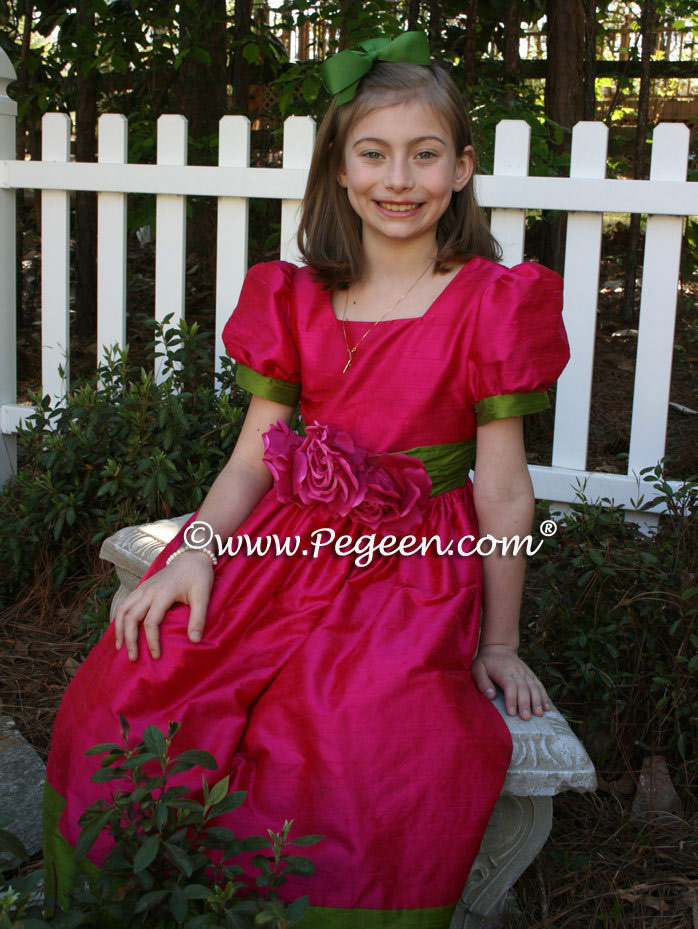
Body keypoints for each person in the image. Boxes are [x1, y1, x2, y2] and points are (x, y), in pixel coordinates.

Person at [44, 31, 570, 928]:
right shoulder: (295, 296)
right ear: (338, 167)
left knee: (351, 732)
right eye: (373, 153)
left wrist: (500, 642)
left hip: (409, 569)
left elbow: (504, 489)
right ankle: (137, 899)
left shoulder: (490, 303)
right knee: (146, 679)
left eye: (424, 154)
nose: (397, 178)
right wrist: (196, 551)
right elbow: (255, 452)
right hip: (284, 545)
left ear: (462, 169)